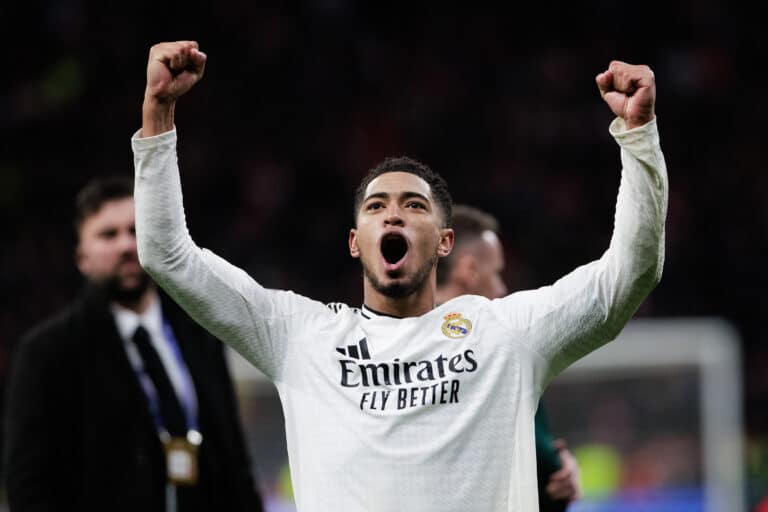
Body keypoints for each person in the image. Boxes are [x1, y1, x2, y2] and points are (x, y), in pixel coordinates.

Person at [132, 40, 667, 511]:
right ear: (354, 241)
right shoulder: (299, 336)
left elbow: (627, 277)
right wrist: (158, 114)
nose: (393, 215)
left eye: (413, 205)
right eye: (376, 206)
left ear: (444, 241)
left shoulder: (504, 333)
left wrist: (638, 136)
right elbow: (167, 256)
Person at [3, 177, 264, 512]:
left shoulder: (201, 333)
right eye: (108, 234)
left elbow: (235, 463)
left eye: (136, 230)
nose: (126, 245)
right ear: (82, 257)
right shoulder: (47, 352)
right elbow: (28, 485)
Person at [435, 204, 582, 511]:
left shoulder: (503, 343)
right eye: (496, 273)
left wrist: (560, 464)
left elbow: (541, 448)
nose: (502, 288)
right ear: (469, 270)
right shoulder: (490, 347)